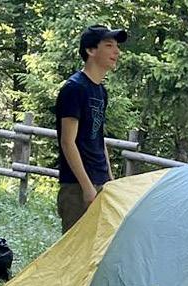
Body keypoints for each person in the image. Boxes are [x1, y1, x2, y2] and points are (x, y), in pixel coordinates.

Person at [55, 25, 128, 233]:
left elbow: (98, 137)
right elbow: (68, 142)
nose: (116, 51)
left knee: (101, 246)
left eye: (117, 46)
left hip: (100, 181)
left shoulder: (101, 91)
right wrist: (87, 187)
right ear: (91, 50)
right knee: (76, 249)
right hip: (77, 186)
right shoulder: (74, 89)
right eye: (109, 46)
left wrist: (110, 180)